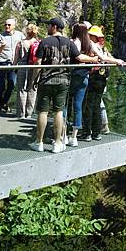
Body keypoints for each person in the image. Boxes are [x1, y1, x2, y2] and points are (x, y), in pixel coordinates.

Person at [30, 17, 99, 154]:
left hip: (46, 80)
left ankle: (39, 142)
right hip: (63, 81)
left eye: (49, 25)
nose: (48, 28)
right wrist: (93, 59)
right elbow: (79, 58)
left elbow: (37, 63)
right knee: (59, 111)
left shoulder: (45, 42)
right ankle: (57, 143)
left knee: (43, 111)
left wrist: (34, 80)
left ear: (54, 27)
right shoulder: (69, 43)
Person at [80, 25, 123, 142]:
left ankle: (87, 133)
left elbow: (103, 58)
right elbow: (108, 57)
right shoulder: (103, 47)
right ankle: (96, 132)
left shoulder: (91, 46)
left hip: (92, 77)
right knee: (97, 105)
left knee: (88, 105)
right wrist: (116, 61)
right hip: (102, 79)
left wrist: (115, 61)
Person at [66, 23, 95, 147]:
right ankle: (74, 136)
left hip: (72, 74)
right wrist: (94, 60)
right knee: (78, 106)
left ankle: (64, 135)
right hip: (85, 76)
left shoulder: (72, 42)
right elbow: (100, 56)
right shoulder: (89, 44)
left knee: (65, 104)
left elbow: (76, 57)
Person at [0, 18, 25, 115]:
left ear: (14, 26)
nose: (7, 26)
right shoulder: (0, 36)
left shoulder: (20, 35)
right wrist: (2, 46)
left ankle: (3, 103)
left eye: (9, 25)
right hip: (2, 63)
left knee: (11, 85)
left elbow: (25, 44)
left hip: (14, 64)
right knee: (0, 86)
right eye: (5, 25)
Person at [13, 23, 39, 119]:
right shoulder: (38, 43)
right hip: (34, 67)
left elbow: (16, 58)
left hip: (22, 67)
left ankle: (21, 113)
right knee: (32, 90)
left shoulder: (20, 43)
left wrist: (14, 66)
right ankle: (29, 113)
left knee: (21, 89)